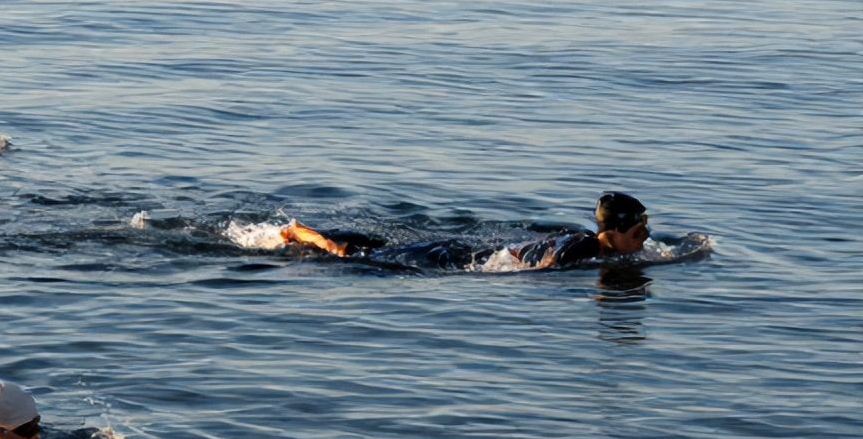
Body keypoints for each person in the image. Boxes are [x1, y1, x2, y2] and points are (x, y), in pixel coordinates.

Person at [278, 192, 653, 271]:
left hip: (462, 253)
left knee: (380, 249)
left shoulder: (586, 243)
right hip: (455, 261)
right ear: (614, 230)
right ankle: (303, 233)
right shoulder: (579, 251)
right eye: (638, 232)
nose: (646, 238)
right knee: (355, 256)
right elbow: (543, 271)